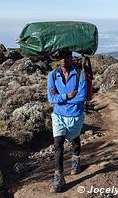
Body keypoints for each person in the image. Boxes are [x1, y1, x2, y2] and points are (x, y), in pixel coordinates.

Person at [47, 51, 87, 193]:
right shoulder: (52, 75)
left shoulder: (80, 73)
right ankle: (59, 176)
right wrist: (68, 95)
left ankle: (76, 159)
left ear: (71, 57)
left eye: (67, 56)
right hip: (58, 116)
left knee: (75, 137)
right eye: (61, 57)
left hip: (75, 115)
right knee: (58, 144)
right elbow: (51, 99)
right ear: (57, 58)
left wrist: (60, 98)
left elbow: (81, 97)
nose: (64, 60)